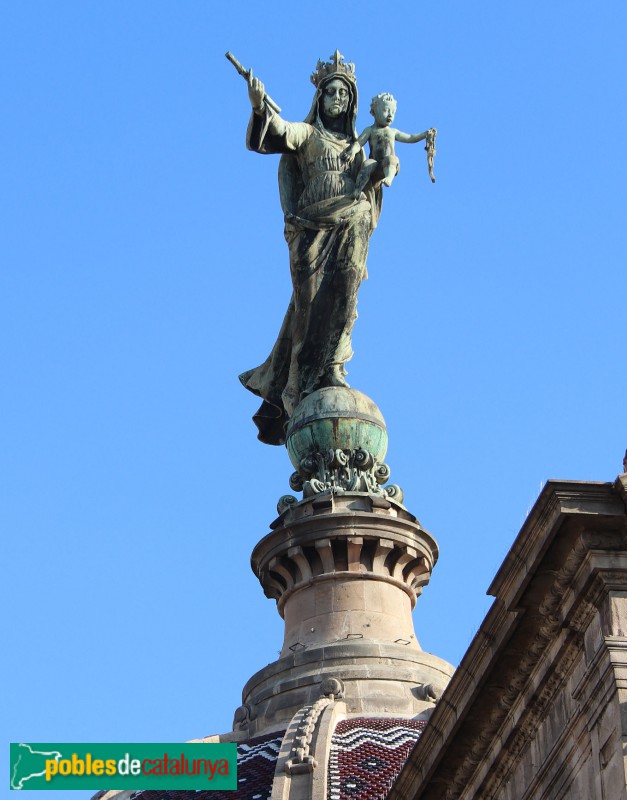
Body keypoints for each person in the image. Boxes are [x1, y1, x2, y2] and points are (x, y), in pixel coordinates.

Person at [238, 53, 382, 446]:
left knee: (344, 298)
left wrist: (384, 164)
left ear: (351, 103)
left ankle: (334, 364)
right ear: (319, 100)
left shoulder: (357, 146)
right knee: (309, 305)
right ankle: (298, 381)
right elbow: (277, 132)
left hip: (351, 221)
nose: (336, 98)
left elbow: (374, 178)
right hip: (310, 231)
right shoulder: (307, 133)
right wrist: (257, 103)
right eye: (330, 92)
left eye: (342, 94)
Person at [342, 92, 436, 198]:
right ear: (375, 112)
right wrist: (352, 151)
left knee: (392, 159)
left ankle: (389, 178)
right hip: (375, 163)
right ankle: (358, 189)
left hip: (389, 164)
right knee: (366, 165)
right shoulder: (370, 130)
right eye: (386, 111)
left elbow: (410, 137)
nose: (390, 115)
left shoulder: (393, 131)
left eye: (393, 112)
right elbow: (359, 143)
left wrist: (425, 134)